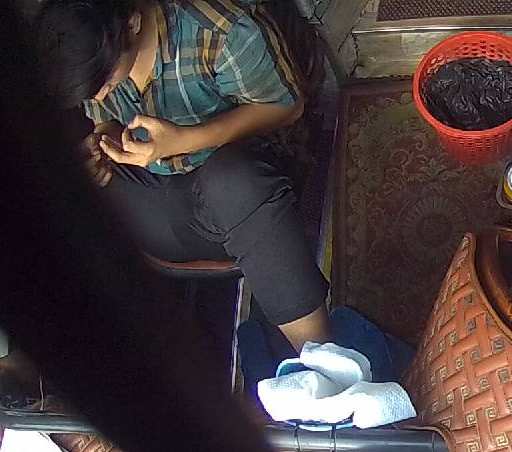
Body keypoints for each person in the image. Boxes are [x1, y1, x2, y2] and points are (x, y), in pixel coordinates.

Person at [31, 0, 332, 350]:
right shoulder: (94, 60)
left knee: (234, 182)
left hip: (232, 194)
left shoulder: (219, 29)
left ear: (132, 23)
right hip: (156, 201)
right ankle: (43, 355)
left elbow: (287, 106)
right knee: (60, 193)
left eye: (102, 81)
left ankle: (322, 358)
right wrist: (104, 142)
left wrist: (185, 140)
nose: (98, 95)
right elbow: (107, 119)